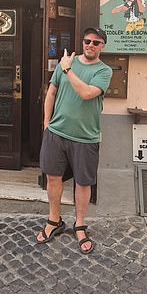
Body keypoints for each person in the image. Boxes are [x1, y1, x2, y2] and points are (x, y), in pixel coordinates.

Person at [36, 27, 112, 254]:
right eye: (87, 41)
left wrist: (67, 69)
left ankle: (80, 225)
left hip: (85, 137)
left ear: (102, 47)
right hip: (56, 133)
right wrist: (47, 123)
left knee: (83, 182)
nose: (90, 45)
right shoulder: (66, 64)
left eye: (96, 42)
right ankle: (54, 221)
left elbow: (87, 93)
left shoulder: (104, 71)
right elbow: (51, 93)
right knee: (53, 177)